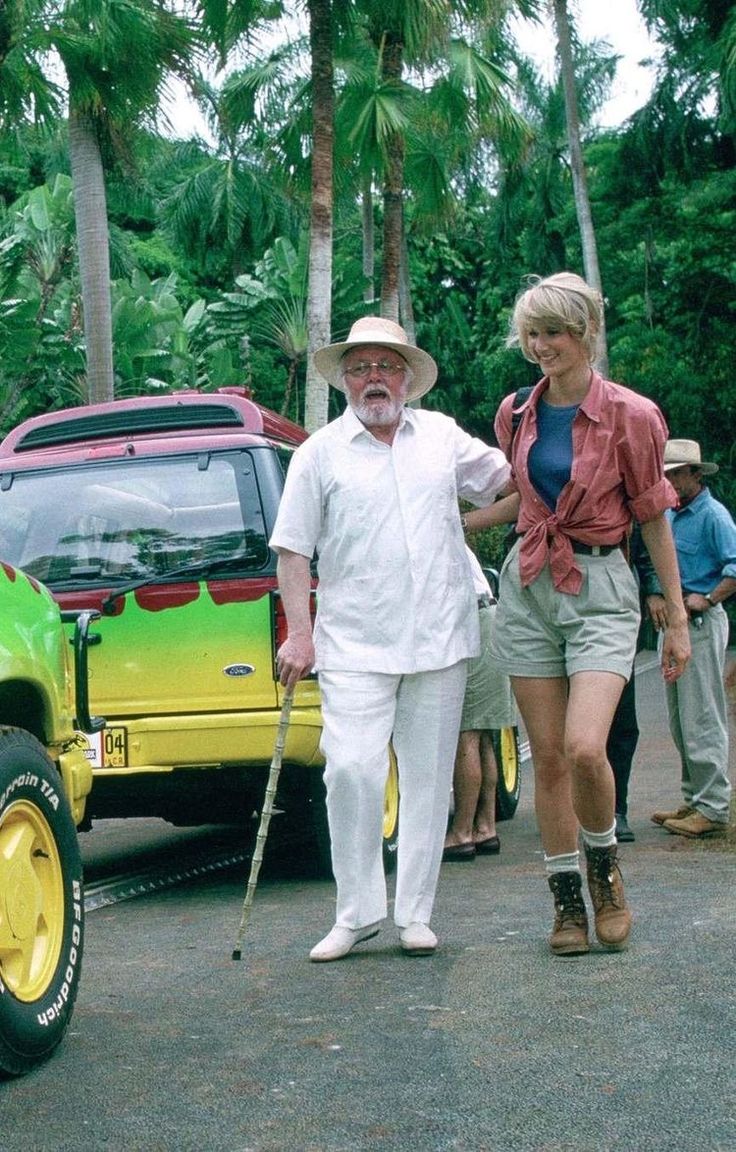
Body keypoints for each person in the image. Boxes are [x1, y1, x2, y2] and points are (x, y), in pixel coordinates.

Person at [269, 316, 510, 962]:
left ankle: (415, 914)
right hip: (352, 643)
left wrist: (470, 523)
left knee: (430, 780)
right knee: (350, 769)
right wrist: (299, 633)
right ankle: (354, 914)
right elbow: (292, 550)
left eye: (386, 365)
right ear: (344, 378)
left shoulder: (440, 437)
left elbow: (510, 481)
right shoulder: (318, 452)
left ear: (408, 376)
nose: (374, 378)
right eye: (361, 367)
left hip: (438, 637)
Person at [481, 271, 690, 958]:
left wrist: (678, 620)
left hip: (601, 582)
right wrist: (449, 521)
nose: (541, 345)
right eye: (532, 333)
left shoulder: (633, 415)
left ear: (586, 333)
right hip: (530, 582)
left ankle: (604, 869)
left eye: (555, 332)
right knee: (546, 759)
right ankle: (565, 897)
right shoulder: (516, 413)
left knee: (583, 749)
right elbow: (521, 499)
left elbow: (654, 516)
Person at [647, 439, 736, 838]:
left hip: (700, 620)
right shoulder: (668, 513)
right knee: (681, 717)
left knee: (702, 714)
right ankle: (695, 797)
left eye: (677, 473)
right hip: (678, 621)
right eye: (666, 474)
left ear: (695, 475)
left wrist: (710, 597)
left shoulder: (713, 516)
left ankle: (713, 806)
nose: (670, 480)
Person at [443, 548, 517, 862]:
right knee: (485, 734)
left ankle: (461, 832)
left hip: (471, 620)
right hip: (488, 616)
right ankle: (485, 827)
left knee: (467, 733)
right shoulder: (453, 538)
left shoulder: (434, 533)